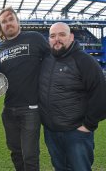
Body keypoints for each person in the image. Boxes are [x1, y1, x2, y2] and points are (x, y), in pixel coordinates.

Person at [39, 22, 106, 171]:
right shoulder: (46, 60)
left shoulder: (84, 60)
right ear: (48, 39)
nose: (57, 39)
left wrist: (88, 125)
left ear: (71, 37)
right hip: (51, 132)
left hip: (76, 133)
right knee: (60, 168)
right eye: (53, 36)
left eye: (62, 34)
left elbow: (101, 95)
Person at [0, 6, 50, 171]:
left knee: (30, 155)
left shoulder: (35, 38)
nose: (8, 23)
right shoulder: (0, 50)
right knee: (15, 152)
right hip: (8, 110)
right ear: (1, 27)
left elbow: (52, 61)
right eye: (4, 22)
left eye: (10, 19)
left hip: (31, 108)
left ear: (17, 21)